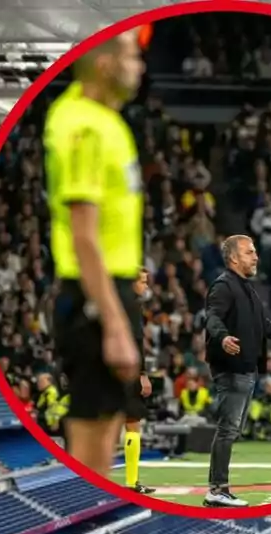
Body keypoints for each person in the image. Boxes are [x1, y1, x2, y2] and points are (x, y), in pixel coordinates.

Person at [44, 29, 147, 477]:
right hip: (95, 294)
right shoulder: (83, 126)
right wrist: (115, 323)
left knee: (106, 421)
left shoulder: (106, 120)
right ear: (105, 64)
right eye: (131, 57)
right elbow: (84, 234)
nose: (139, 67)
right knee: (91, 434)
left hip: (110, 287)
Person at [203, 234, 271, 507]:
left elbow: (261, 323)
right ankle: (217, 490)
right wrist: (223, 337)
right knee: (228, 429)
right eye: (250, 252)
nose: (256, 256)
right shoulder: (224, 285)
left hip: (247, 368)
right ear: (234, 258)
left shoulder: (246, 288)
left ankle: (218, 488)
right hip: (232, 367)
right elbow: (212, 317)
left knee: (232, 429)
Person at [123, 268, 154, 495]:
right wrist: (142, 373)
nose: (145, 286)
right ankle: (132, 482)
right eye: (142, 282)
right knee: (132, 423)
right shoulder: (132, 306)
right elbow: (135, 340)